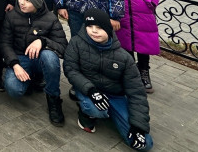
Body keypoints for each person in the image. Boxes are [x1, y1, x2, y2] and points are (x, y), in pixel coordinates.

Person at [64, 9, 153, 150]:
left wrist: (139, 127)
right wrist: (91, 90)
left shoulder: (123, 57)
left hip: (115, 96)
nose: (94, 31)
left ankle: (112, 113)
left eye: (99, 28)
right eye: (90, 27)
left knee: (145, 145)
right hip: (88, 90)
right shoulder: (76, 43)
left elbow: (136, 92)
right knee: (96, 109)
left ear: (108, 28)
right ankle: (86, 115)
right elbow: (71, 70)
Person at [0, 0, 68, 127]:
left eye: (27, 0)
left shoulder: (50, 18)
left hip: (40, 58)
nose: (21, 2)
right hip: (20, 58)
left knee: (50, 58)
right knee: (14, 89)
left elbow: (63, 47)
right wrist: (14, 64)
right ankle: (32, 79)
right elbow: (5, 43)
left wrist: (42, 41)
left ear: (37, 2)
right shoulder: (11, 16)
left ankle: (54, 99)